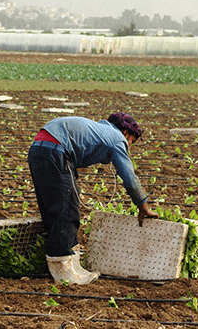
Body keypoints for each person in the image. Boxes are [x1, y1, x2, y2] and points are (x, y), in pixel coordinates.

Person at [27, 113, 158, 285]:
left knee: (54, 208)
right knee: (67, 211)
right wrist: (143, 205)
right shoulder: (118, 139)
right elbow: (129, 177)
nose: (129, 147)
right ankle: (64, 272)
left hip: (38, 149)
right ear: (125, 132)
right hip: (55, 150)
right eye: (132, 142)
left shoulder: (100, 129)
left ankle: (71, 265)